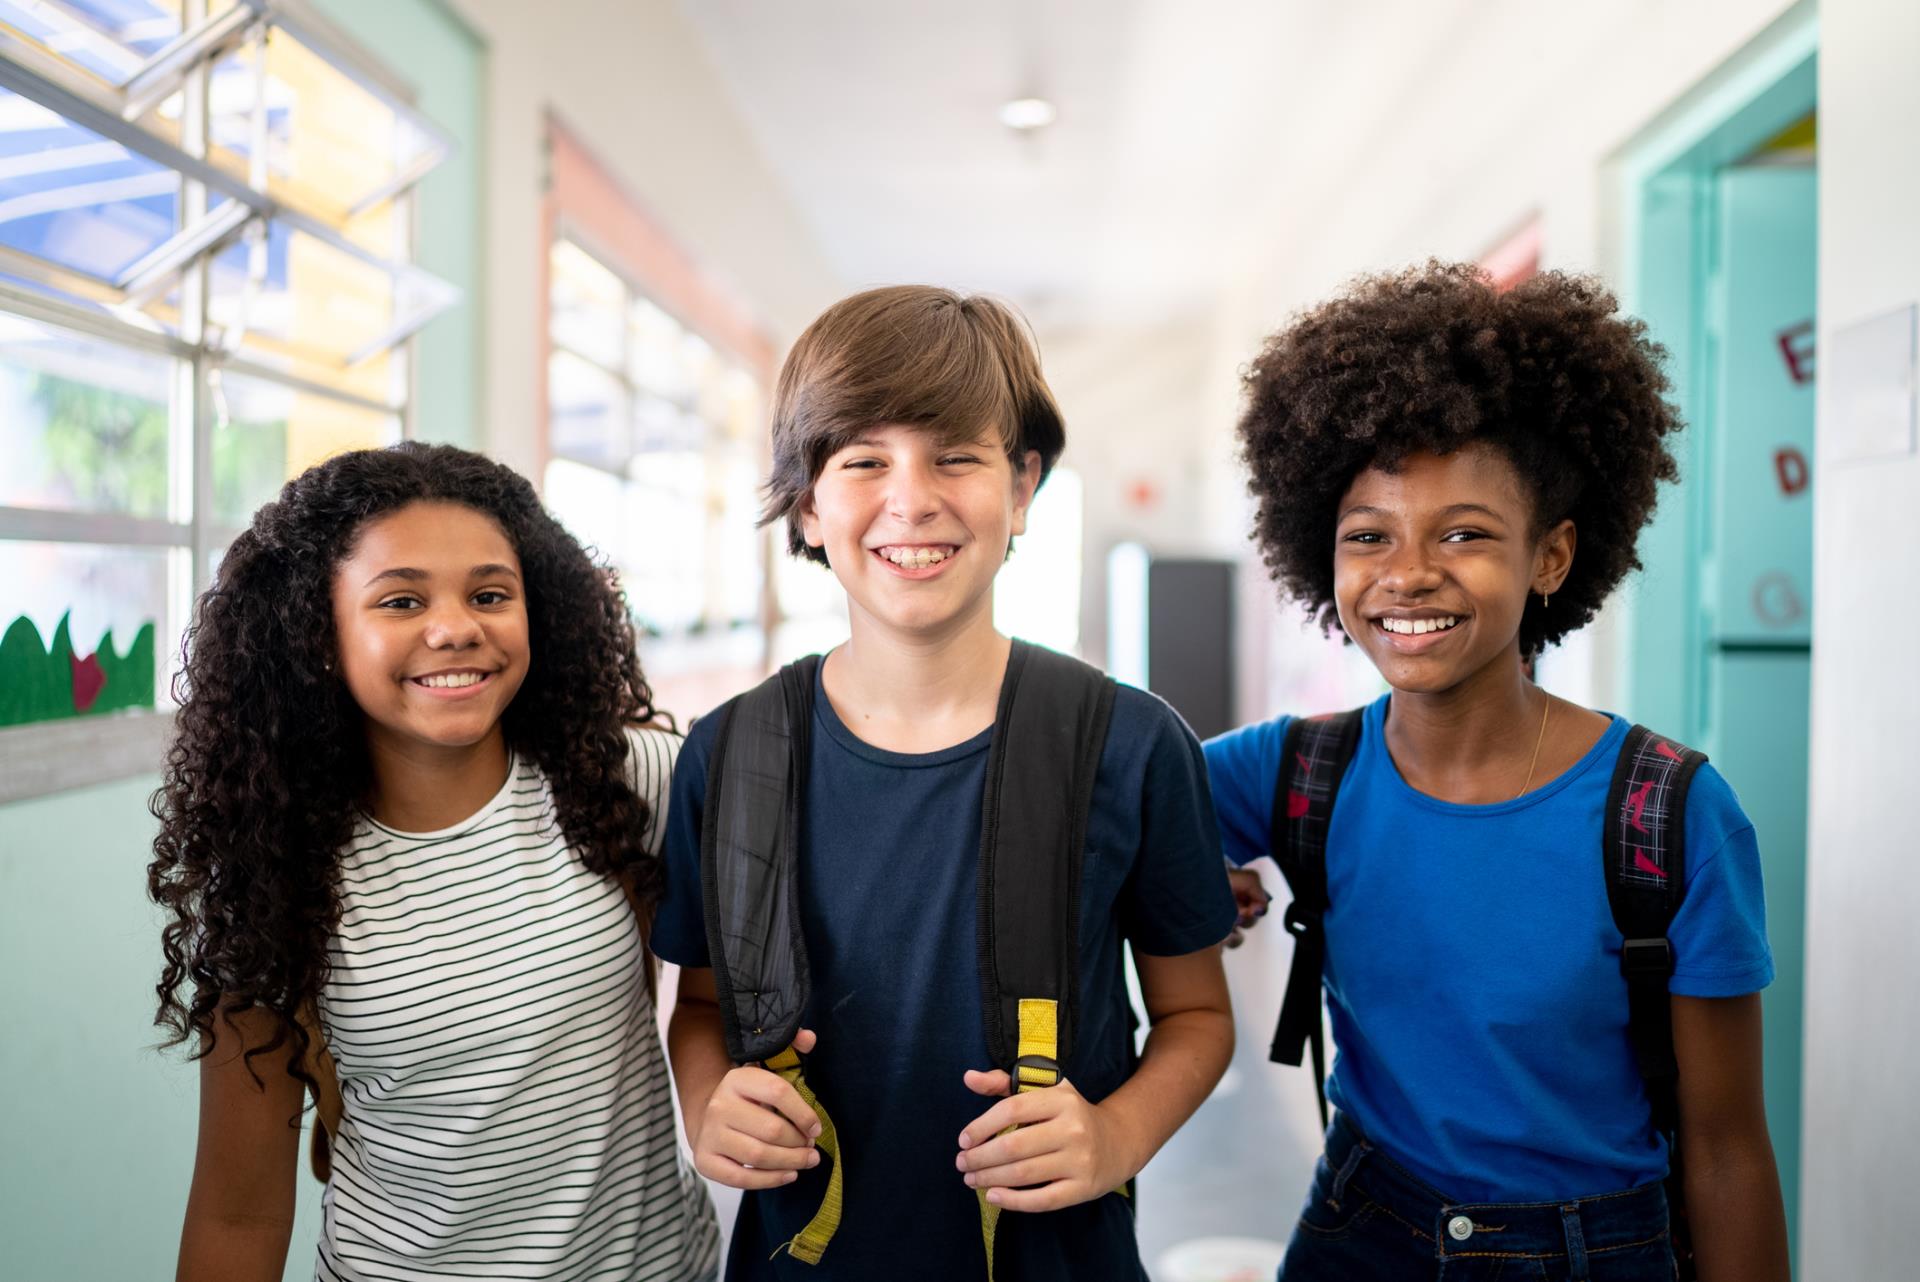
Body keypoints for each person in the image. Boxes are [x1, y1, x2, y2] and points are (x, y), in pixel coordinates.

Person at [1210, 263, 1788, 1282]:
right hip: (1360, 1229)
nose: (1408, 573)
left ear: (1552, 555)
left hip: (1594, 1251)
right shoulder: (1299, 769)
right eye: (1368, 537)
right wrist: (1184, 878)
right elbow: (1083, 816)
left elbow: (1729, 1148)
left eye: (1465, 533)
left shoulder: (1668, 815)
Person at [652, 285, 1238, 1279]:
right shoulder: (731, 754)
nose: (911, 498)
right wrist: (709, 1099)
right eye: (863, 460)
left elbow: (1199, 1017)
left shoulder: (1130, 744)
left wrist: (1116, 1136)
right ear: (807, 500)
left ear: (1022, 487)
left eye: (955, 456)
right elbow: (700, 1007)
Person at [150, 442, 718, 1282]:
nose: (455, 627)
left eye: (491, 594)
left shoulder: (627, 781)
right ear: (316, 634)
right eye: (401, 599)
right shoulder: (281, 867)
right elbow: (240, 1213)